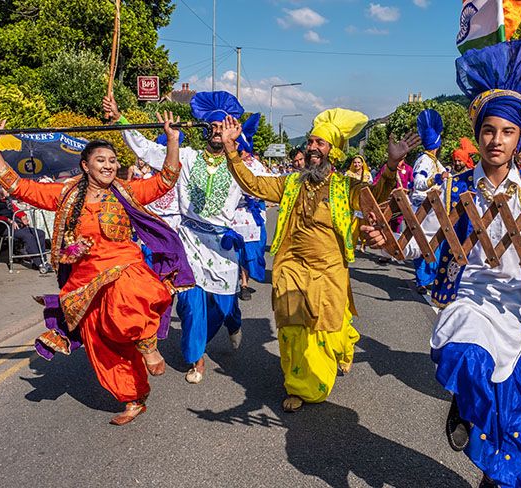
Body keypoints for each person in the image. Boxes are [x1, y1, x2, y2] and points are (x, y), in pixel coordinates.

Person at [362, 40, 521, 488]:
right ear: (478, 133)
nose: (496, 140)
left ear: (520, 138)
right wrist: (389, 238)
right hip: (468, 302)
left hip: (514, 314)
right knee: (471, 364)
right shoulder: (453, 186)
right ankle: (465, 404)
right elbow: (419, 241)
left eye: (507, 132)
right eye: (488, 130)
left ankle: (495, 479)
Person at [0, 114, 192, 425]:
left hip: (126, 267)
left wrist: (173, 140)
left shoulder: (125, 191)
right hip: (84, 282)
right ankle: (133, 397)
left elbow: (166, 180)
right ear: (86, 165)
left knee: (130, 298)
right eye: (101, 160)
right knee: (103, 344)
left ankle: (149, 346)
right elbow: (19, 187)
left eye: (112, 160)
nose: (109, 165)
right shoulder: (65, 194)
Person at [223, 108, 420, 413]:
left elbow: (377, 196)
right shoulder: (290, 184)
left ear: (333, 152)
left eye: (320, 143)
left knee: (327, 328)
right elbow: (254, 184)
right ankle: (300, 386)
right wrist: (231, 149)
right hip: (291, 267)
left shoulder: (345, 186)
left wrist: (392, 165)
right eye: (311, 142)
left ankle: (342, 345)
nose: (312, 147)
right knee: (291, 328)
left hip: (329, 270)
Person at [104, 91, 247, 385]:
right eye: (213, 125)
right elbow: (144, 148)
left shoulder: (241, 165)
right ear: (205, 128)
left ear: (233, 130)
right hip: (189, 240)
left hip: (222, 247)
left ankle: (233, 321)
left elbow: (268, 187)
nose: (217, 130)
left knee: (223, 307)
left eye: (224, 125)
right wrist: (120, 117)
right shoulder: (186, 157)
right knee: (190, 303)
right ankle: (197, 358)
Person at [232, 114, 270, 301]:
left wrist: (251, 193)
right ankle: (239, 282)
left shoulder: (257, 166)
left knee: (250, 251)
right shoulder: (229, 164)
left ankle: (245, 282)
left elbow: (265, 187)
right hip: (232, 215)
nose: (240, 151)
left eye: (242, 147)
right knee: (235, 251)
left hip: (252, 215)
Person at [411, 109, 447, 294]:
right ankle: (422, 280)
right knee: (423, 243)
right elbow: (418, 182)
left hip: (434, 210)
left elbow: (447, 177)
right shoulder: (424, 161)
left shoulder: (434, 161)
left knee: (436, 243)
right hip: (423, 208)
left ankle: (430, 278)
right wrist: (436, 180)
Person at [0, 178, 50, 273]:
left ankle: (42, 260)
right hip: (1, 227)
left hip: (13, 225)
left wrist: (23, 216)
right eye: (7, 188)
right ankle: (40, 263)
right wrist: (7, 220)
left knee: (40, 233)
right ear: (0, 189)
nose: (10, 190)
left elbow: (15, 208)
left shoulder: (7, 199)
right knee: (27, 236)